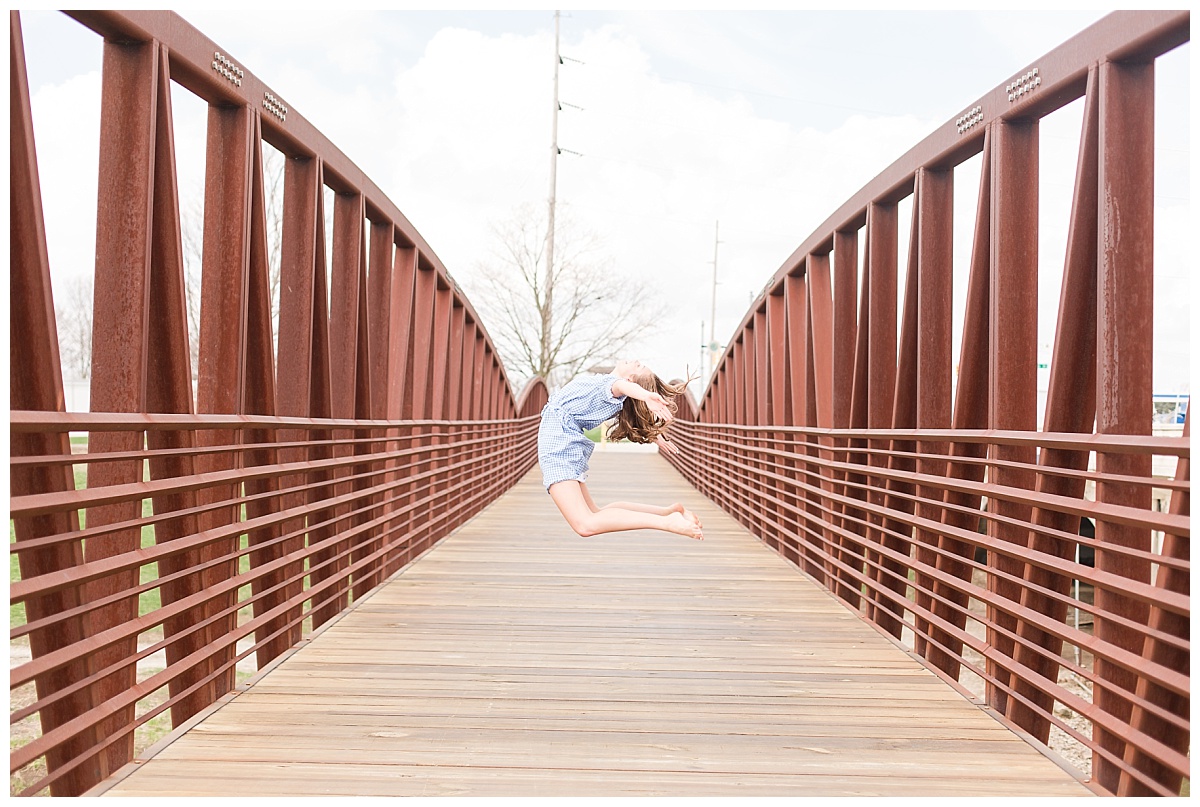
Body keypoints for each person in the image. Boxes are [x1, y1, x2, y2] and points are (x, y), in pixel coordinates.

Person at [538, 359, 704, 541]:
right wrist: (653, 434)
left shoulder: (613, 386)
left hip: (558, 447)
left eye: (639, 367)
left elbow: (623, 387)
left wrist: (645, 396)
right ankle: (667, 513)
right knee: (595, 513)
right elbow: (626, 395)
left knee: (585, 524)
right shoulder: (607, 389)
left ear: (630, 380)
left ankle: (666, 522)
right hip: (564, 445)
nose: (636, 361)